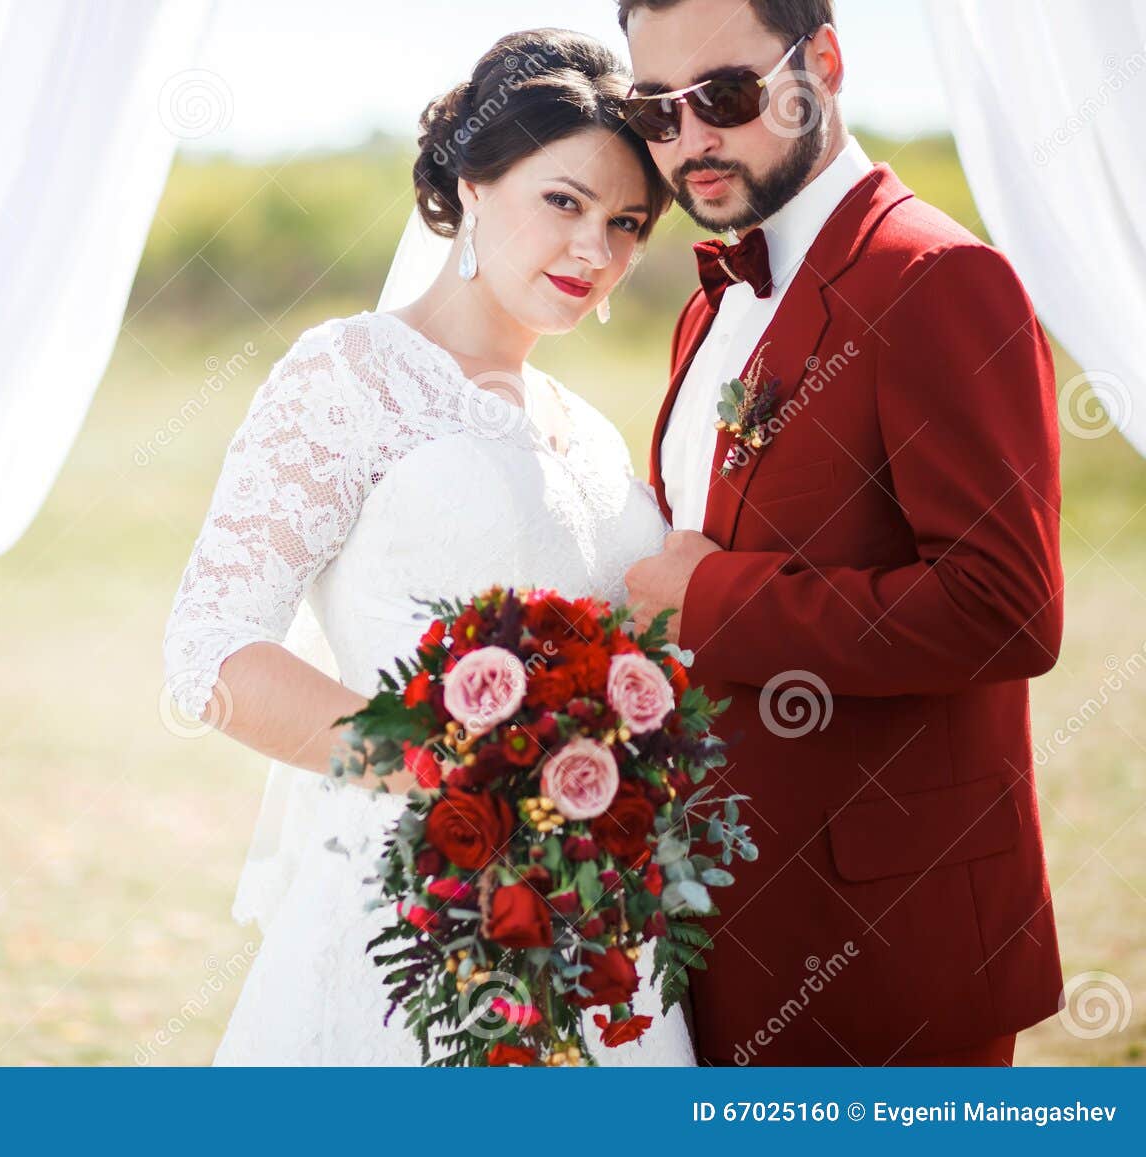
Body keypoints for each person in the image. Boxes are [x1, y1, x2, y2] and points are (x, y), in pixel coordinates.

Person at [162, 28, 693, 1064]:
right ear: (476, 183)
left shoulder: (587, 429)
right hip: (412, 913)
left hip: (592, 923)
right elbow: (210, 654)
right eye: (565, 202)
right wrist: (466, 777)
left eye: (626, 223)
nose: (595, 249)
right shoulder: (347, 378)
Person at [617, 0, 1064, 1065]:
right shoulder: (709, 303)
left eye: (722, 96)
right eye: (654, 111)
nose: (691, 140)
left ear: (821, 59)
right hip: (709, 927)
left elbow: (1003, 610)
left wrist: (711, 602)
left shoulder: (937, 278)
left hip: (881, 942)